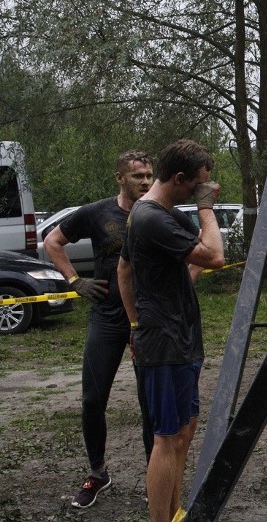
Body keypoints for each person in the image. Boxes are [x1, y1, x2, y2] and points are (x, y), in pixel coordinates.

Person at [117, 139, 225, 522]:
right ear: (180, 179)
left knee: (185, 431)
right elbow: (214, 256)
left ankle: (175, 512)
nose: (201, 190)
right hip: (163, 343)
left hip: (179, 337)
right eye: (197, 184)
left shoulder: (160, 212)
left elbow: (125, 270)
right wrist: (206, 206)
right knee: (166, 438)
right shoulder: (150, 218)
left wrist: (134, 321)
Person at [44, 150, 155, 509]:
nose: (145, 181)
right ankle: (98, 472)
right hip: (107, 317)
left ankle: (156, 476)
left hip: (148, 319)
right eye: (137, 175)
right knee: (93, 399)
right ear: (120, 178)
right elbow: (52, 242)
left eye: (149, 175)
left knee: (150, 403)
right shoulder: (96, 213)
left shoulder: (157, 211)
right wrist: (76, 281)